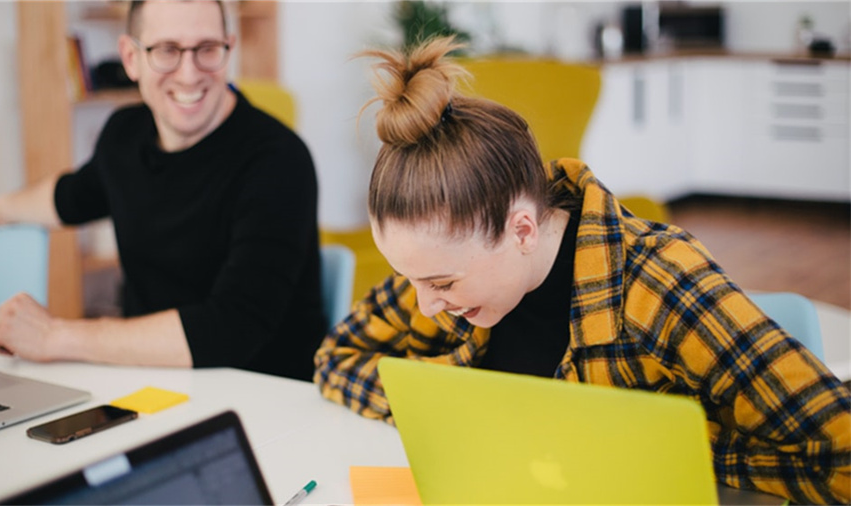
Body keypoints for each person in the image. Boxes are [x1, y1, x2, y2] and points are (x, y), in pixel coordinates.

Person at [313, 37, 850, 504]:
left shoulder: (659, 283)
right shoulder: (447, 267)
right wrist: (457, 411)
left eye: (441, 284)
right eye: (410, 278)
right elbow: (336, 359)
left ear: (522, 231)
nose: (425, 303)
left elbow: (840, 454)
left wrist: (671, 447)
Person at [0, 0, 325, 381]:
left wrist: (54, 336)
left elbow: (232, 328)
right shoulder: (124, 134)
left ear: (228, 49)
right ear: (131, 58)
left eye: (206, 49)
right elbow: (69, 197)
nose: (189, 75)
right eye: (167, 51)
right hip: (149, 381)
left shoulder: (279, 160)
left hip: (264, 399)